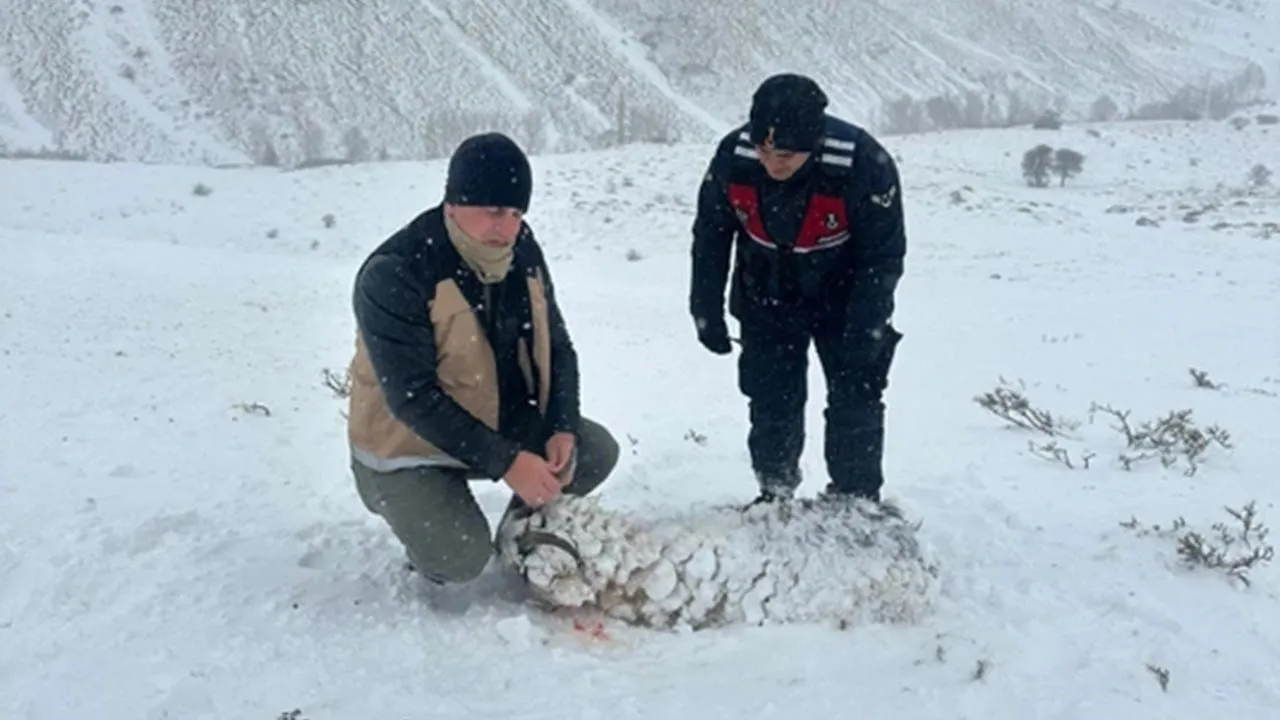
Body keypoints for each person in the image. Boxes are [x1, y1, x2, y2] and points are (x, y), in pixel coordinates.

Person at [345, 132, 620, 585]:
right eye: (493, 210)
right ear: (453, 203)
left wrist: (562, 425)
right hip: (403, 447)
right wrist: (510, 462)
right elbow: (413, 400)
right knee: (459, 562)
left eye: (516, 213)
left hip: (490, 421)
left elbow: (559, 346)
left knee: (592, 451)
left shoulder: (521, 252)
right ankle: (426, 526)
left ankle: (521, 534)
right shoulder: (396, 273)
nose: (506, 227)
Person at [688, 72, 906, 505]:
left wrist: (868, 326)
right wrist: (704, 306)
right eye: (765, 148)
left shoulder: (862, 163)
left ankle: (855, 498)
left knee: (856, 398)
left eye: (786, 153)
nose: (773, 161)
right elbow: (712, 235)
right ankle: (775, 491)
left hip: (844, 296)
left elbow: (882, 256)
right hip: (765, 292)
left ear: (815, 141)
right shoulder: (734, 157)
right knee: (771, 400)